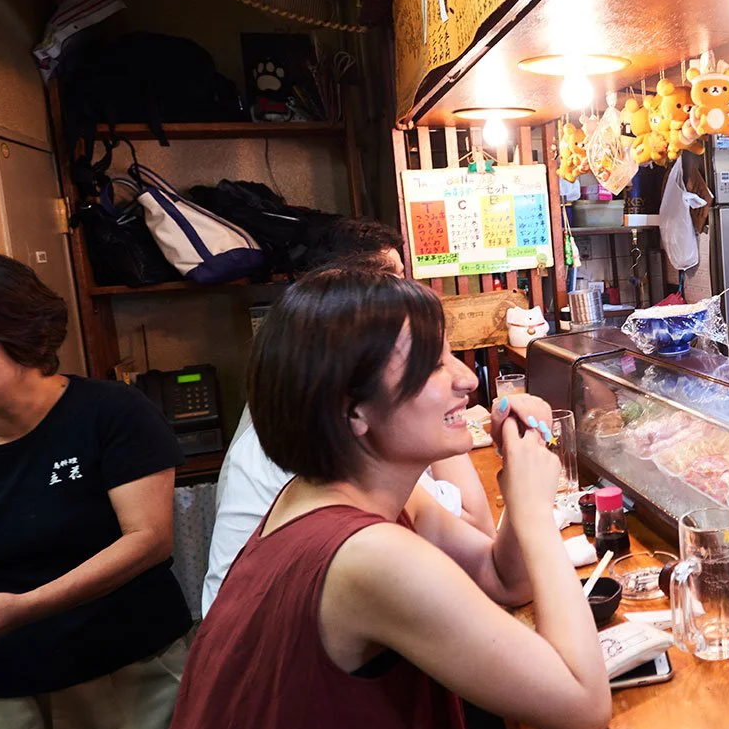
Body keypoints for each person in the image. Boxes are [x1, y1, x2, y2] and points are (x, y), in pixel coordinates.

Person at [148, 268, 609, 729]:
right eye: (430, 365)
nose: (467, 378)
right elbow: (583, 701)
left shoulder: (340, 493)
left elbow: (501, 578)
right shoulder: (365, 555)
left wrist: (516, 475)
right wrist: (534, 510)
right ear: (354, 412)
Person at [0, 251, 191, 729]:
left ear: (18, 335)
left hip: (125, 683)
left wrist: (22, 609)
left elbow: (148, 541)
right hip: (4, 702)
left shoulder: (109, 414)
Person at [201, 223, 503, 616]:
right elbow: (479, 534)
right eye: (391, 281)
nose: (406, 294)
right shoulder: (351, 524)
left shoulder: (347, 462)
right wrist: (526, 488)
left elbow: (488, 563)